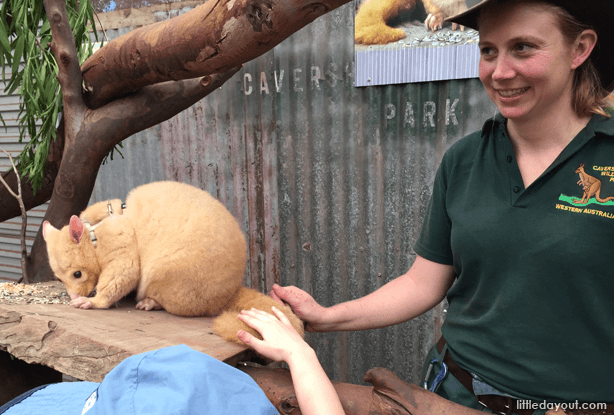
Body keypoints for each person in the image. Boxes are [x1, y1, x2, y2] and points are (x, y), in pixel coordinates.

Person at [239, 1, 614, 414]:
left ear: (580, 48)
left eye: (523, 48)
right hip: (453, 393)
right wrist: (327, 317)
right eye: (488, 50)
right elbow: (423, 283)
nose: (500, 72)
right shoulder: (465, 159)